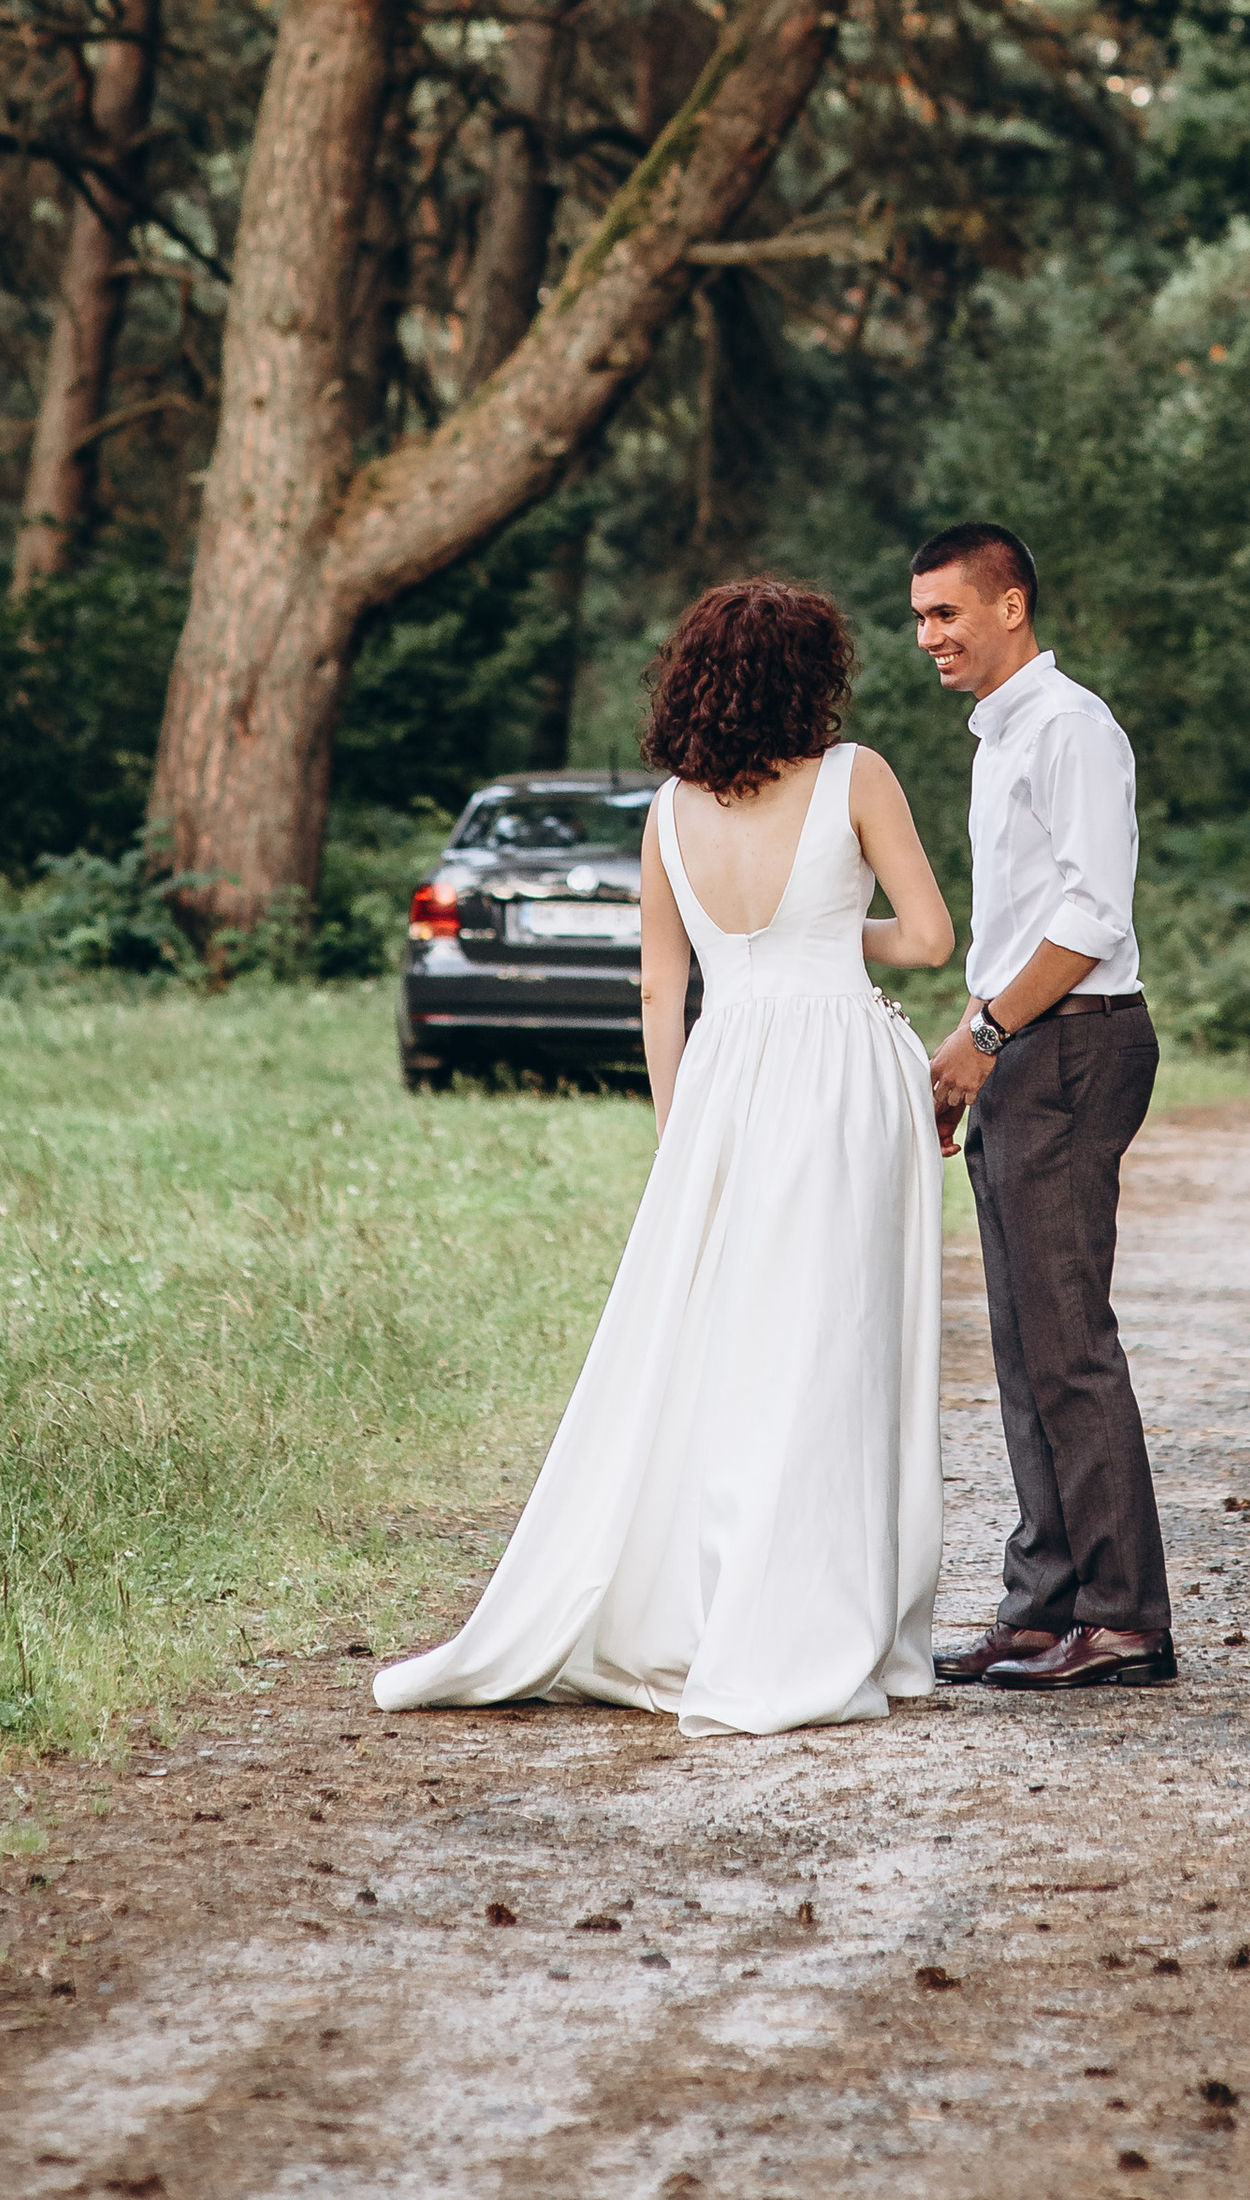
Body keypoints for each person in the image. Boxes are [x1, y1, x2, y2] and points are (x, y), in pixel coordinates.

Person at [371, 578, 957, 1739]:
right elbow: (934, 940)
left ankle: (705, 1603)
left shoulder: (666, 813)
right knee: (837, 1341)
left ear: (694, 680)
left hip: (724, 1080)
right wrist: (830, 929)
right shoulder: (856, 776)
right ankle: (822, 1618)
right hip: (841, 1068)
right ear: (813, 677)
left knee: (726, 1348)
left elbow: (659, 988)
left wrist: (677, 1125)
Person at [916, 521, 1176, 1695]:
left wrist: (982, 1038)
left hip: (1073, 1044)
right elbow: (1019, 924)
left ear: (1009, 605)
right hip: (1024, 1042)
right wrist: (978, 1043)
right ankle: (1043, 1608)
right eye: (920, 617)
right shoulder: (1003, 733)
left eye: (947, 612)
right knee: (1024, 1342)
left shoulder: (1070, 728)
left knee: (1068, 1341)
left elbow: (1091, 916)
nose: (930, 635)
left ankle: (1121, 1619)